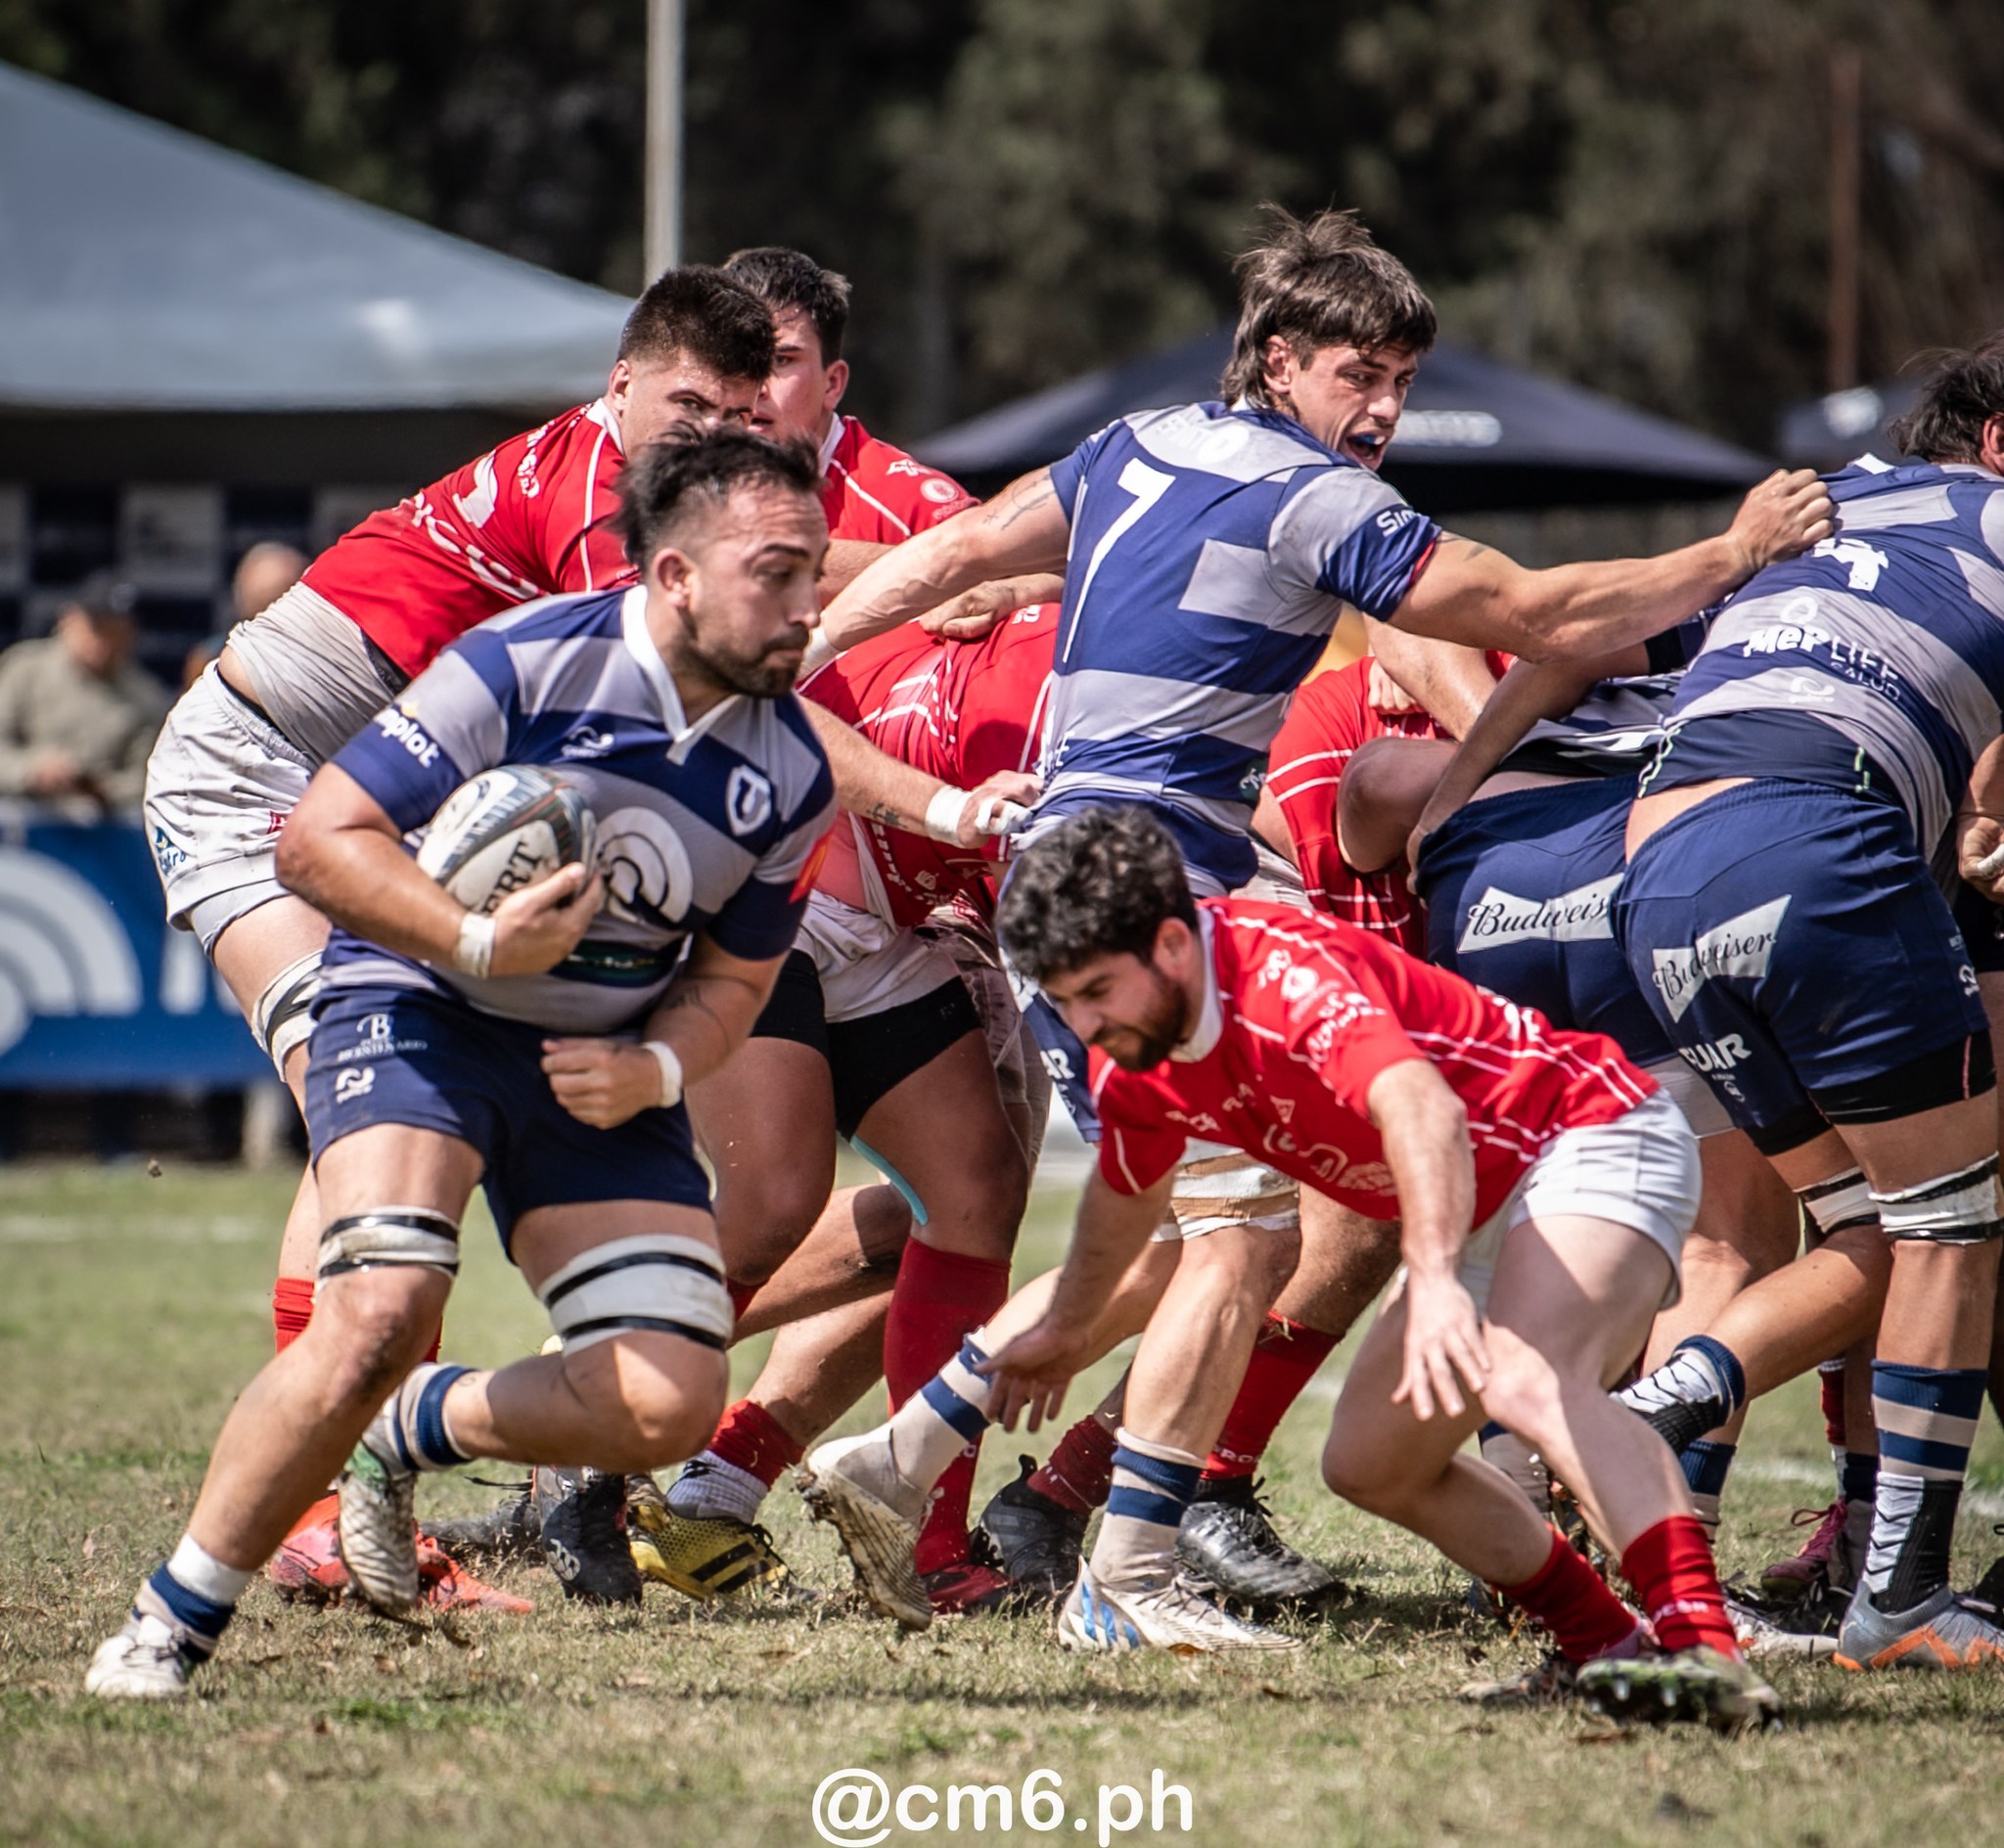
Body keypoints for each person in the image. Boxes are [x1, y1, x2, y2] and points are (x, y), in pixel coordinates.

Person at [85, 425, 837, 1699]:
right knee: (378, 1305)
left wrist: (658, 1073)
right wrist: (473, 935)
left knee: (670, 1399)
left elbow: (736, 980)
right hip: (419, 1002)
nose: (806, 605)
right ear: (673, 578)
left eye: (813, 572)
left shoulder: (793, 773)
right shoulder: (523, 664)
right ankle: (171, 1618)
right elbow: (323, 841)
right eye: (776, 573)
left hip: (598, 1058)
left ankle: (403, 1426)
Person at [802, 809, 1777, 1729]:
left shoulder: (1282, 980)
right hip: (1481, 1196)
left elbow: (1421, 1111)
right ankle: (1599, 1640)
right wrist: (1064, 1324)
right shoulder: (1135, 1045)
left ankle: (1700, 1649)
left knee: (1523, 1373)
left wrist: (1431, 1278)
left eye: (1097, 990)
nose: (1084, 1023)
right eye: (1062, 1000)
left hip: (1589, 1134)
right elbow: (1127, 1198)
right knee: (1370, 1463)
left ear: (1172, 946)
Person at [1606, 333, 2004, 1672]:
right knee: (1956, 1223)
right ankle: (1901, 1600)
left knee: (1861, 1237)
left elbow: (1592, 645)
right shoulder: (1998, 517)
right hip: (1815, 846)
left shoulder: (1819, 507)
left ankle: (1640, 1411)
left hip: (1654, 881)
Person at [722, 248, 997, 598]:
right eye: (737, 358)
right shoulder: (668, 485)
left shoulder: (906, 503)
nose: (757, 386)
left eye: (782, 360)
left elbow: (1016, 583)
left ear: (832, 384)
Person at [0, 571, 167, 811]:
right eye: (96, 628)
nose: (103, 642)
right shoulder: (24, 669)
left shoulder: (145, 696)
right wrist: (31, 769)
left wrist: (100, 788)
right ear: (68, 619)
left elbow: (150, 777)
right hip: (18, 823)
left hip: (102, 831)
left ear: (131, 634)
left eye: (115, 632)